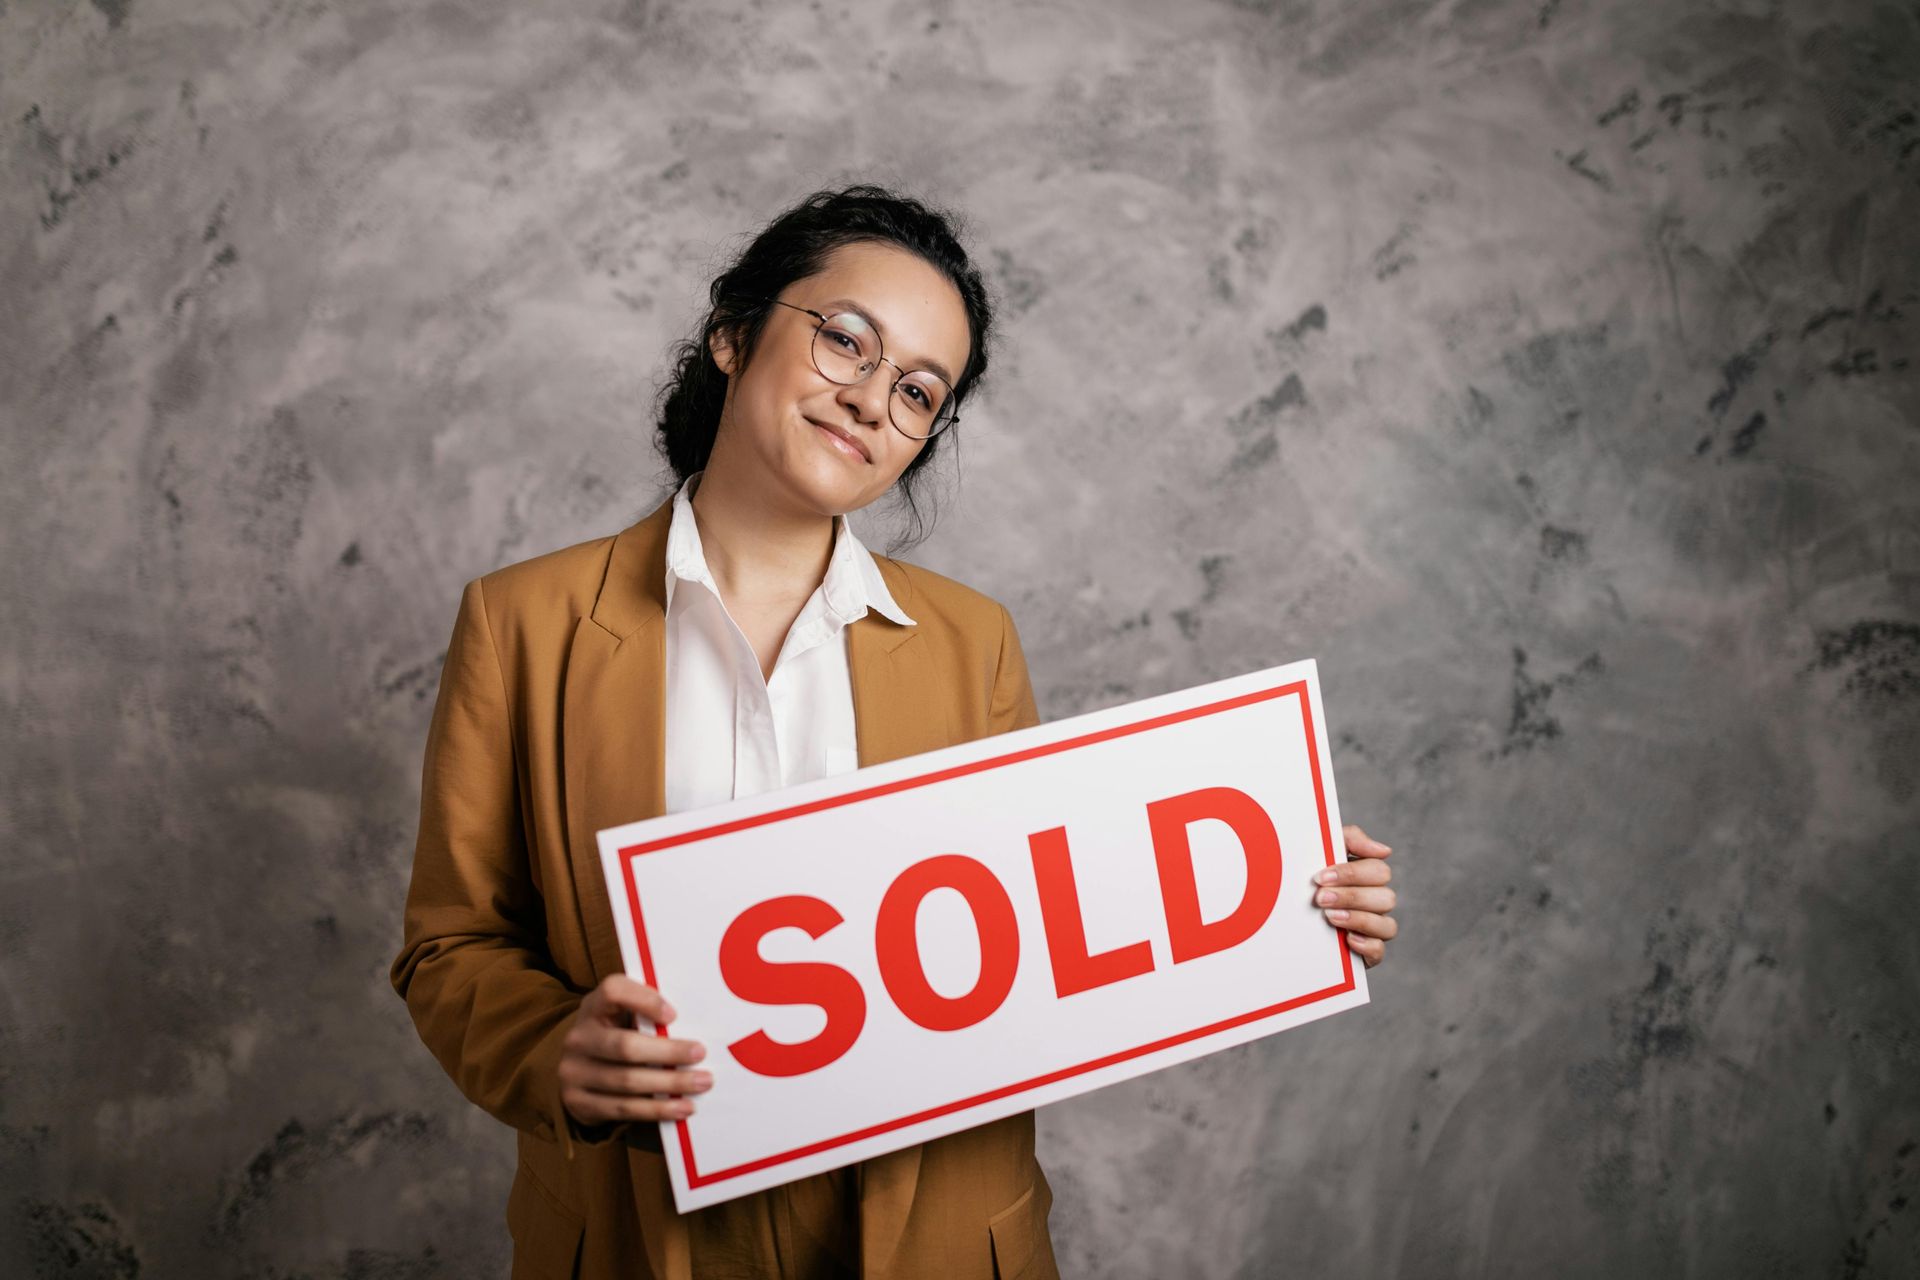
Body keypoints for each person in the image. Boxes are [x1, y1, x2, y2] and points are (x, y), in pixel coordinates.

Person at [389, 184, 1401, 1280]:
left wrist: (1291, 895)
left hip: (933, 1234)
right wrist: (556, 1055)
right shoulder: (522, 622)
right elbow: (452, 944)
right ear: (733, 334)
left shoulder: (975, 642)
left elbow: (1051, 926)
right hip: (644, 1234)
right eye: (845, 342)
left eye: (920, 390)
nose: (873, 401)